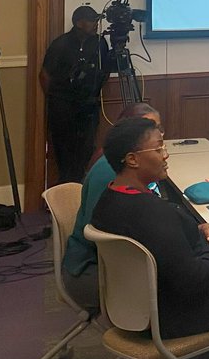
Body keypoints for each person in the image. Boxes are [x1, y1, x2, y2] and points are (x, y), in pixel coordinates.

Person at [91, 117, 209, 359]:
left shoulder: (110, 200)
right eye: (158, 148)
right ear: (132, 159)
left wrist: (196, 229)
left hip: (140, 309)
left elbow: (161, 240)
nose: (166, 155)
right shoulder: (149, 212)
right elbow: (194, 280)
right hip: (179, 316)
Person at [61, 103, 162, 310]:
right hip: (93, 272)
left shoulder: (121, 164)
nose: (156, 133)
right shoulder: (114, 174)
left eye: (158, 128)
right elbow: (108, 234)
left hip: (104, 264)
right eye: (148, 128)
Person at [41, 4, 112, 183]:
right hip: (62, 104)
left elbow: (105, 72)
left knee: (87, 148)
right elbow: (45, 75)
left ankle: (81, 183)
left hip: (89, 104)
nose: (96, 24)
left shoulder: (100, 43)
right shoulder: (61, 43)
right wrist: (55, 97)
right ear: (79, 23)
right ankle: (66, 187)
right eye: (91, 20)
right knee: (64, 148)